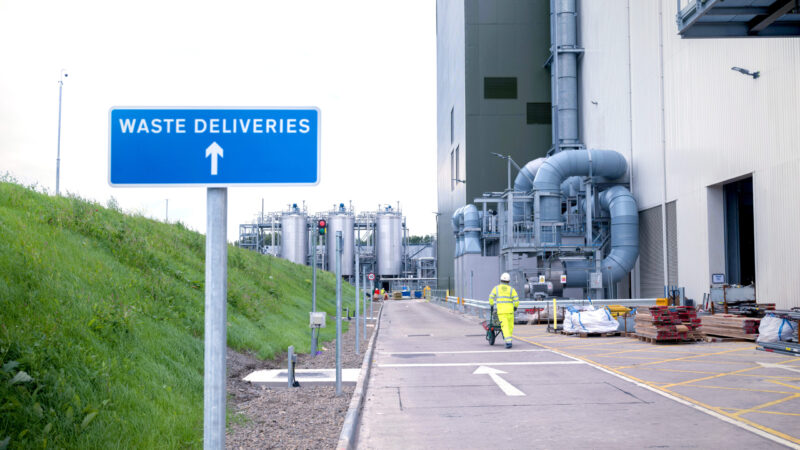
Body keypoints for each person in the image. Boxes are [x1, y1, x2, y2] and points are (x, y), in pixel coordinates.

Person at [489, 273, 519, 348]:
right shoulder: (511, 289)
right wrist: (515, 307)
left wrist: (492, 304)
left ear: (501, 280)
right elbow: (516, 300)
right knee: (510, 327)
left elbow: (491, 297)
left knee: (505, 327)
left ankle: (508, 342)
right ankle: (508, 340)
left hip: (502, 312)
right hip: (510, 312)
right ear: (508, 281)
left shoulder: (496, 288)